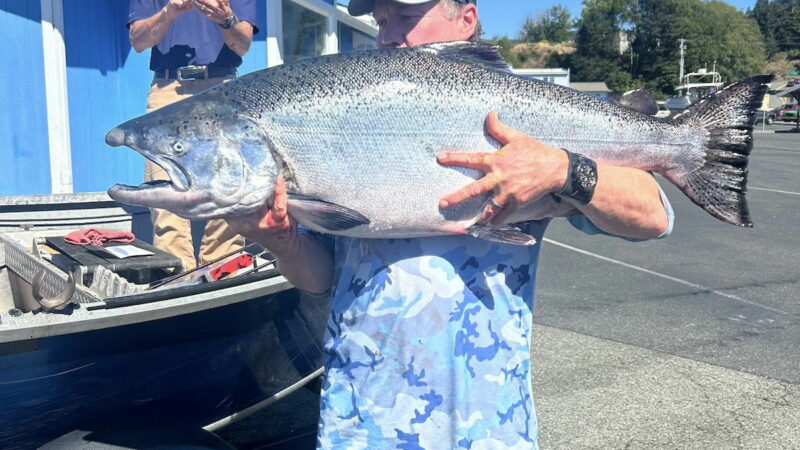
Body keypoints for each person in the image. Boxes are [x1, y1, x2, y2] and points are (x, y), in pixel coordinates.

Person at [228, 0, 674, 448]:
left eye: (405, 17)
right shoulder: (345, 121)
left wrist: (562, 169)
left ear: (467, 19)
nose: (388, 35)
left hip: (488, 427)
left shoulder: (520, 119)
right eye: (381, 20)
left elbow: (653, 216)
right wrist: (282, 241)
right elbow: (320, 280)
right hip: (361, 424)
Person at [127, 0, 257, 271]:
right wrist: (169, 12)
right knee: (164, 183)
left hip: (221, 86)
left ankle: (224, 267)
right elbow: (138, 41)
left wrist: (226, 18)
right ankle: (175, 272)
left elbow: (242, 45)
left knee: (230, 177)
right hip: (167, 87)